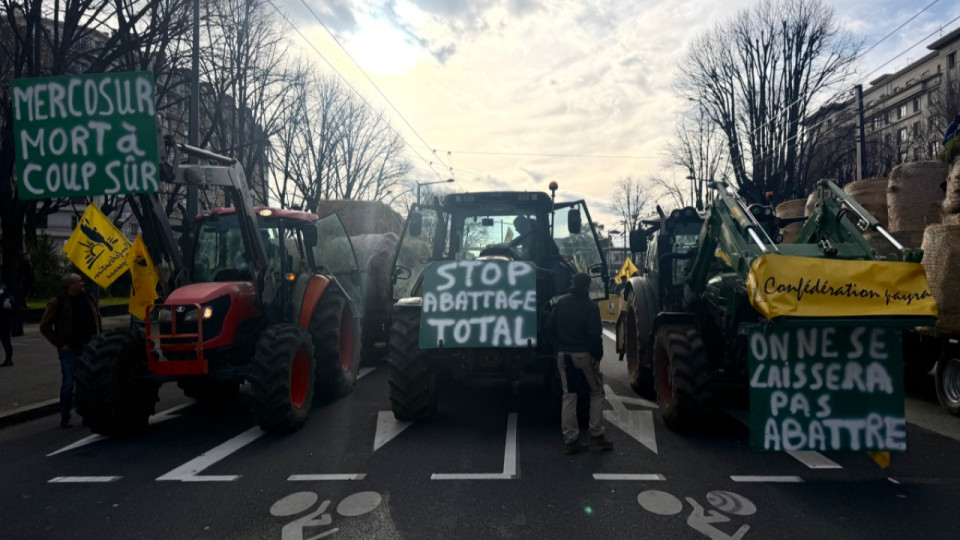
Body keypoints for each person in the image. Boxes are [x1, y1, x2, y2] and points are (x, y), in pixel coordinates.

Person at [546, 272, 613, 454]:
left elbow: (549, 327)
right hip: (583, 355)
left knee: (569, 395)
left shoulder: (561, 303)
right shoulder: (590, 306)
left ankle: (571, 440)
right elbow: (594, 335)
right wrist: (597, 357)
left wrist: (557, 347)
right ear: (588, 286)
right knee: (596, 392)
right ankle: (596, 435)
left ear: (572, 284)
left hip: (564, 355)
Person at [39, 273, 101, 429]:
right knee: (69, 383)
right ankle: (65, 415)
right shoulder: (58, 302)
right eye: (79, 281)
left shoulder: (88, 298)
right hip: (70, 349)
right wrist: (60, 344)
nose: (82, 283)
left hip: (91, 348)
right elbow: (44, 326)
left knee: (92, 382)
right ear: (70, 286)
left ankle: (90, 412)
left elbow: (96, 317)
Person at [0, 281, 14, 367]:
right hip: (5, 320)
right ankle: (9, 359)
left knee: (6, 341)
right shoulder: (7, 295)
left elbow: (6, 308)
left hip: (3, 321)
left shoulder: (5, 296)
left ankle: (9, 359)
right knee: (6, 341)